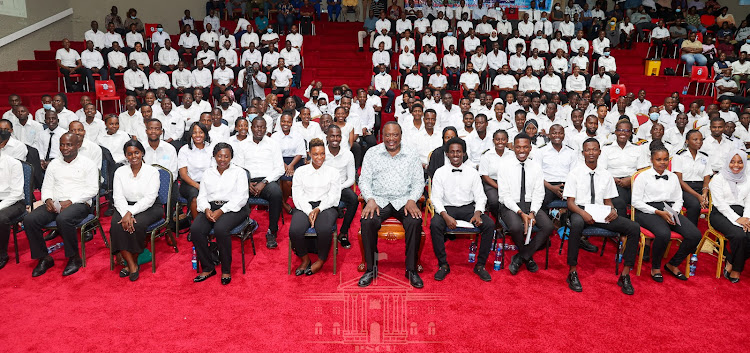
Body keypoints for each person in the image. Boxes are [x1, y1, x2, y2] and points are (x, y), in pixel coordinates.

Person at [564, 137, 640, 294]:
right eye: (588, 150)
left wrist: (612, 211)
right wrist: (583, 213)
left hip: (600, 211)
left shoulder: (606, 175)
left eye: (594, 149)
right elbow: (570, 203)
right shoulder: (574, 174)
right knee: (577, 224)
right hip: (580, 209)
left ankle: (625, 275)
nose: (591, 152)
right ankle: (572, 271)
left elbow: (608, 201)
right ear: (582, 152)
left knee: (633, 227)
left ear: (599, 152)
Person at [358, 122, 425, 288]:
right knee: (367, 222)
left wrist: (412, 199)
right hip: (379, 200)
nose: (391, 139)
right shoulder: (372, 153)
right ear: (382, 136)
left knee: (415, 222)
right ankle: (371, 269)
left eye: (395, 135)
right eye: (387, 135)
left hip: (404, 200)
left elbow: (418, 182)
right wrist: (370, 199)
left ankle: (411, 270)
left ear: (401, 136)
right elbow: (364, 180)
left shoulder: (412, 154)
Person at [24, 133, 98, 277]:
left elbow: (93, 189)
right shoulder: (54, 164)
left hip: (80, 203)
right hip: (56, 202)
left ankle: (74, 257)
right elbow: (46, 186)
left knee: (63, 219)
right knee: (30, 220)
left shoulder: (88, 164)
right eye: (62, 144)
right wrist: (47, 199)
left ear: (78, 145)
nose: (65, 148)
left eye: (69, 144)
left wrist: (72, 200)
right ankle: (44, 258)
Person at [632, 143, 701, 283]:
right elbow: (636, 202)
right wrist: (657, 212)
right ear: (651, 160)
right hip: (647, 211)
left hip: (669, 209)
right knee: (663, 234)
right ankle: (655, 267)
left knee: (695, 235)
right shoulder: (643, 177)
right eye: (659, 159)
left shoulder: (673, 177)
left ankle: (673, 264)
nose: (662, 163)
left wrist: (674, 212)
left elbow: (678, 199)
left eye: (665, 159)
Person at [430, 137, 494, 282]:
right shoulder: (440, 172)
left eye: (459, 152)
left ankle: (480, 265)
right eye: (452, 152)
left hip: (468, 209)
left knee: (489, 225)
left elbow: (481, 197)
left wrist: (478, 213)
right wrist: (445, 217)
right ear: (447, 153)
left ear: (464, 153)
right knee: (435, 224)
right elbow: (436, 199)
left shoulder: (472, 172)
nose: (455, 155)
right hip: (447, 208)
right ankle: (443, 265)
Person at [191, 143, 250, 285]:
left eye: (226, 156)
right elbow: (202, 196)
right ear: (214, 156)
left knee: (220, 229)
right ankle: (208, 267)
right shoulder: (208, 173)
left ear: (231, 157)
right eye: (219, 156)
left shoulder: (239, 172)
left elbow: (241, 197)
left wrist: (221, 210)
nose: (222, 159)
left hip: (235, 207)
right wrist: (206, 209)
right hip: (211, 206)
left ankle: (226, 269)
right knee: (196, 229)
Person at [498, 133, 555, 276]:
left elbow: (539, 193)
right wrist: (520, 213)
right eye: (518, 147)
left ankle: (522, 255)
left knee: (548, 226)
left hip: (531, 205)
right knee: (516, 227)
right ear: (513, 148)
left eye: (525, 147)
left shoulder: (536, 167)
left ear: (530, 148)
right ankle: (527, 257)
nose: (521, 150)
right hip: (510, 205)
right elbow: (504, 196)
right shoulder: (504, 166)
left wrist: (532, 212)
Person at [109, 140, 163, 281]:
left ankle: (129, 261)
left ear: (142, 153)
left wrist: (130, 213)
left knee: (137, 225)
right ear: (126, 156)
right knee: (116, 225)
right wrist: (125, 213)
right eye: (130, 154)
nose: (133, 156)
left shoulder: (152, 172)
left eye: (137, 152)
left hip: (149, 207)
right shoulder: (120, 172)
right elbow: (118, 197)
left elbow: (149, 198)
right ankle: (132, 265)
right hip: (124, 207)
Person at [289, 138, 340, 275]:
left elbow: (334, 196)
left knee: (324, 228)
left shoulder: (333, 172)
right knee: (295, 230)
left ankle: (321, 260)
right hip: (304, 205)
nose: (320, 157)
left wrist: (318, 209)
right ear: (309, 154)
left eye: (322, 154)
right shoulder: (300, 171)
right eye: (316, 154)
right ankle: (305, 259)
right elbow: (297, 196)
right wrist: (309, 211)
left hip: (326, 206)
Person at [234, 117, 285, 249]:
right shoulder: (242, 145)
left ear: (266, 129)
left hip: (267, 180)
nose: (259, 130)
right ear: (251, 128)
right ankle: (243, 225)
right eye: (257, 127)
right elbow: (238, 167)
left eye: (262, 127)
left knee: (276, 193)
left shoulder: (273, 144)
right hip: (248, 180)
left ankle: (272, 231)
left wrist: (264, 182)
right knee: (233, 192)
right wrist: (247, 182)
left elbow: (279, 168)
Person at [709, 149, 750, 283]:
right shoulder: (718, 178)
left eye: (740, 162)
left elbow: (749, 201)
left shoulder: (748, 178)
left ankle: (731, 260)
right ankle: (737, 269)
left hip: (743, 213)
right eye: (732, 162)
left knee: (747, 233)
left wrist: (747, 218)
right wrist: (737, 220)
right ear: (727, 162)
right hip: (720, 213)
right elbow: (720, 204)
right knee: (739, 235)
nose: (736, 165)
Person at [323, 125, 355, 249]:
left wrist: (338, 187)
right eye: (332, 136)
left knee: (353, 199)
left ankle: (343, 232)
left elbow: (351, 179)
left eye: (337, 136)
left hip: (341, 186)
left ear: (341, 138)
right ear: (327, 137)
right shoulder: (321, 152)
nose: (335, 138)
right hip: (323, 186)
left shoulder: (348, 154)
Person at [672, 130, 711, 226]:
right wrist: (698, 197)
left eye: (701, 140)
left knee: (718, 201)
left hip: (701, 187)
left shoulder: (704, 156)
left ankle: (717, 236)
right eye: (695, 139)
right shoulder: (679, 156)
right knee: (694, 205)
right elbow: (679, 180)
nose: (699, 142)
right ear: (687, 141)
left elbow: (706, 177)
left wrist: (704, 193)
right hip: (684, 188)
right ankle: (692, 231)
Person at [178, 122, 213, 220]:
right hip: (190, 183)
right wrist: (198, 186)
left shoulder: (211, 148)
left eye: (201, 132)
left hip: (209, 182)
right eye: (195, 133)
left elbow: (215, 169)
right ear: (191, 135)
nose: (198, 135)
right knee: (195, 198)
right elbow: (183, 174)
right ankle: (196, 226)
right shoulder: (184, 150)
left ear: (205, 134)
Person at [0, 130, 25, 270]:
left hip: (14, 201)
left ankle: (2, 254)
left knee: (1, 217)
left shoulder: (13, 164)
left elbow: (16, 193)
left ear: (2, 144)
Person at [479, 129, 509, 216]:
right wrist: (499, 187)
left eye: (503, 139)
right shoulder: (486, 155)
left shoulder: (512, 154)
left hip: (508, 182)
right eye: (497, 139)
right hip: (491, 183)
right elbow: (485, 176)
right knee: (494, 201)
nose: (500, 142)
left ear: (507, 140)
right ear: (493, 141)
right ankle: (497, 220)